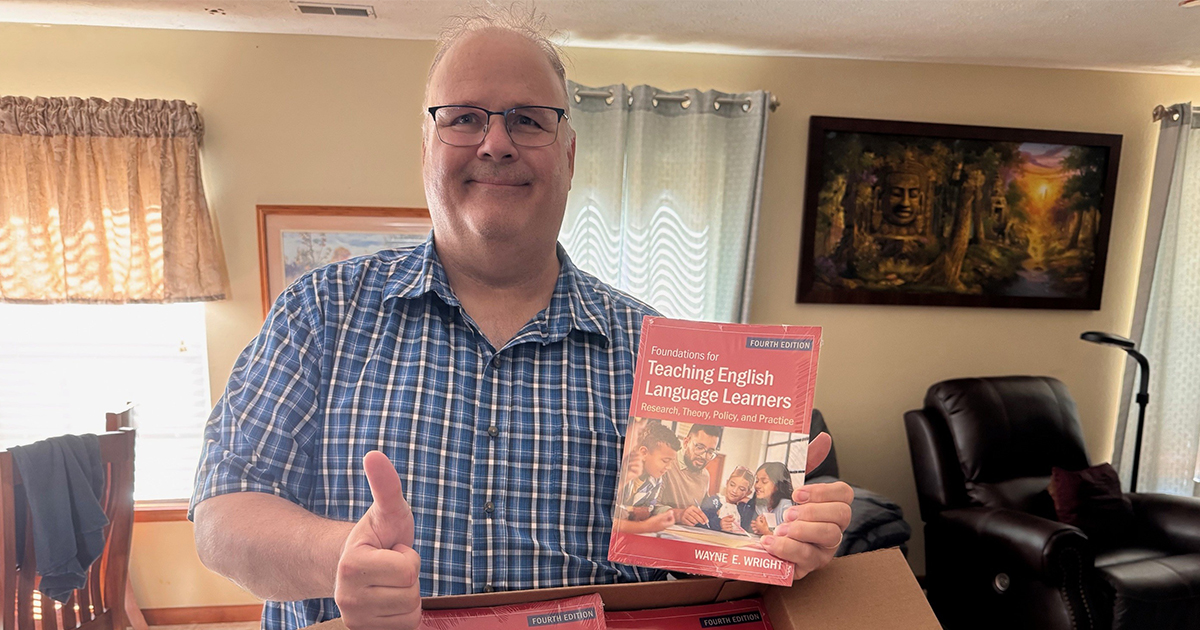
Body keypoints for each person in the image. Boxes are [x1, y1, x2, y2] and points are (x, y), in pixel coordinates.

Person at [189, 7, 854, 630]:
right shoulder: (320, 311)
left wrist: (777, 539)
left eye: (529, 120)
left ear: (567, 154)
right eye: (464, 118)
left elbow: (702, 571)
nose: (496, 142)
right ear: (426, 147)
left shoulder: (662, 352)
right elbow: (221, 518)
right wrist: (341, 553)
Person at [614, 422, 680, 534]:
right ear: (644, 453)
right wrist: (631, 512)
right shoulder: (625, 471)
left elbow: (649, 508)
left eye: (671, 462)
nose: (668, 467)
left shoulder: (656, 480)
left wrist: (645, 512)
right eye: (665, 461)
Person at [657, 424, 723, 526]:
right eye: (700, 447)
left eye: (710, 452)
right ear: (686, 442)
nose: (703, 456)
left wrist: (719, 517)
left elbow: (704, 510)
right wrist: (678, 515)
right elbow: (649, 507)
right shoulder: (667, 464)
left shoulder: (705, 476)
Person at [699, 466, 756, 534]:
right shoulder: (714, 501)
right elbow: (700, 523)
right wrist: (719, 524)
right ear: (727, 483)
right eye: (732, 485)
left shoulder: (744, 509)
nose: (734, 491)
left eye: (741, 489)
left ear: (748, 492)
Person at [751, 462, 794, 536]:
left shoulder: (787, 507)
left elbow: (788, 539)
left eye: (764, 481)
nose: (757, 485)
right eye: (757, 481)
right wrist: (760, 529)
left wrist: (765, 531)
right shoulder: (760, 506)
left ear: (778, 485)